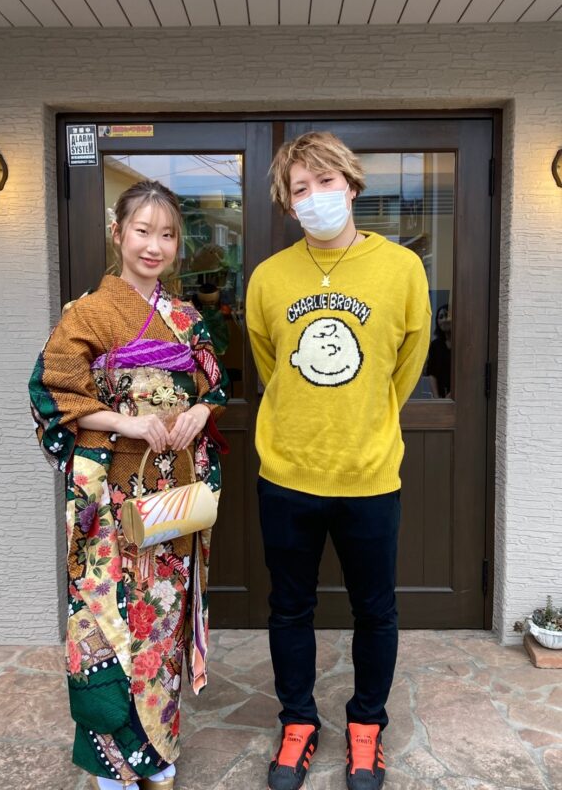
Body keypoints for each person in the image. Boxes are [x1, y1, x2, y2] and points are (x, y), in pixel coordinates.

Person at [245, 131, 431, 790]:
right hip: (287, 474)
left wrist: (364, 418)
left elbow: (405, 366)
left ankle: (366, 725)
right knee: (289, 609)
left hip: (369, 475)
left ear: (351, 185)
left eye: (325, 182)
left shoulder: (401, 269)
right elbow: (272, 368)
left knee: (375, 611)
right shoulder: (268, 278)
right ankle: (298, 721)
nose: (315, 196)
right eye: (300, 188)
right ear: (287, 202)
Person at [29, 180, 228, 790]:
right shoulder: (87, 313)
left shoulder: (187, 318)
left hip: (172, 491)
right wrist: (126, 422)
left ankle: (158, 747)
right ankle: (113, 763)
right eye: (142, 231)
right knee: (109, 617)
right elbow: (52, 394)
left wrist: (202, 410)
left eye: (167, 234)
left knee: (161, 617)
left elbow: (214, 383)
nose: (154, 245)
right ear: (118, 234)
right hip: (113, 491)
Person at [425, 303, 452, 398]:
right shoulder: (435, 345)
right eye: (441, 317)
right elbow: (432, 373)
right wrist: (437, 400)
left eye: (447, 316)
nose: (444, 320)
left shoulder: (461, 344)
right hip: (441, 396)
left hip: (461, 396)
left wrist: (453, 394)